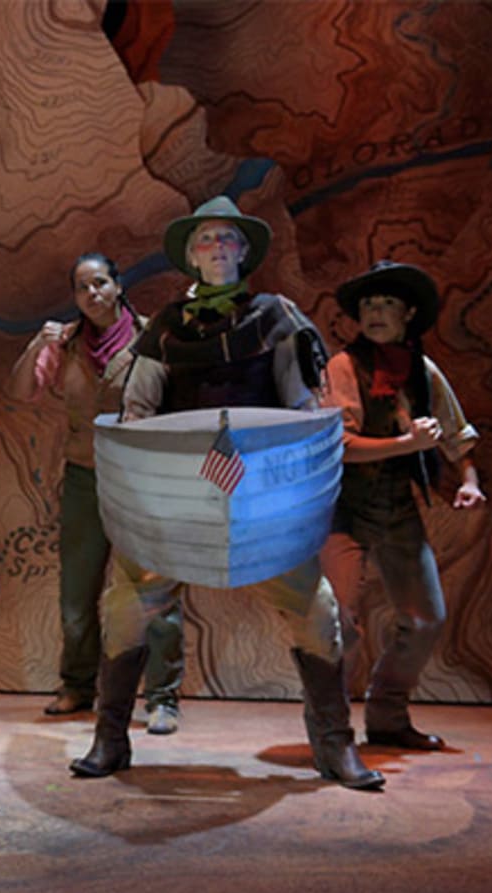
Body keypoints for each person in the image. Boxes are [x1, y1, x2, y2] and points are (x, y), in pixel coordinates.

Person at [70, 196, 384, 791]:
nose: (218, 248)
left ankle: (335, 744)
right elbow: (137, 411)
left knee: (316, 612)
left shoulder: (277, 317)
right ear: (192, 256)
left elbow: (300, 409)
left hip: (260, 500)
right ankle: (110, 737)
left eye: (227, 239)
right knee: (125, 607)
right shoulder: (166, 328)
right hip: (176, 500)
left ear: (244, 252)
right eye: (207, 240)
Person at [8, 252, 185, 732]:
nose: (93, 293)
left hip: (141, 479)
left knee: (154, 589)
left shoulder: (152, 336)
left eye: (101, 283)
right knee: (77, 591)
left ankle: (163, 697)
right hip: (85, 477)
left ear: (118, 285)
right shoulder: (66, 344)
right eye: (83, 287)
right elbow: (21, 391)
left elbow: (177, 401)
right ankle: (77, 685)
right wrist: (35, 346)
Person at [320, 260, 483, 751]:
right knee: (337, 624)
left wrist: (469, 480)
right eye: (368, 304)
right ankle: (330, 729)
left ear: (408, 313)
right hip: (345, 508)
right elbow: (340, 445)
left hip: (396, 508)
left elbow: (456, 435)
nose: (375, 312)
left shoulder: (421, 370)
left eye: (387, 303)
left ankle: (388, 716)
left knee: (426, 617)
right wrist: (406, 445)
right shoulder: (343, 366)